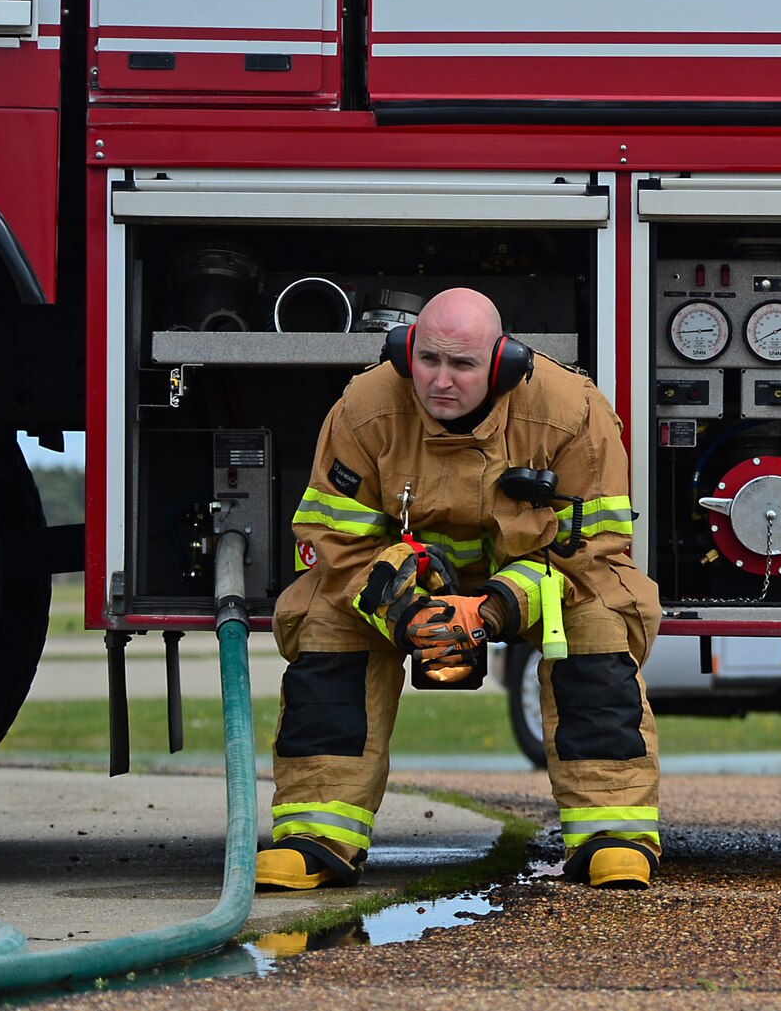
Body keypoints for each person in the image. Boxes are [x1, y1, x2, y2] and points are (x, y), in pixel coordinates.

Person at [255, 287, 661, 891]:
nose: (441, 382)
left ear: (503, 364)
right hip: (405, 584)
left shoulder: (573, 411)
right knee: (323, 617)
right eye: (428, 360)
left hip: (540, 584)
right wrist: (404, 612)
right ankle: (317, 837)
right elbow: (336, 545)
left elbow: (591, 555)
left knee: (599, 620)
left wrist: (493, 608)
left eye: (463, 365)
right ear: (404, 352)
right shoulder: (364, 409)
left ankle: (615, 832)